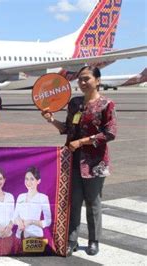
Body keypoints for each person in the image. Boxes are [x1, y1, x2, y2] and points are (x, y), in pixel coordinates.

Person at [41, 66, 117, 256]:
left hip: (95, 162)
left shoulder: (106, 104)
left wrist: (83, 141)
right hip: (72, 160)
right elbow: (67, 128)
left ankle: (93, 240)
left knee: (93, 202)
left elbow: (110, 133)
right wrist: (51, 119)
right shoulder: (74, 104)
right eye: (80, 79)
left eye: (87, 79)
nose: (82, 83)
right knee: (73, 202)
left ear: (97, 81)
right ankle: (72, 239)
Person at [13, 166, 52, 253]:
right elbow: (14, 217)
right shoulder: (20, 196)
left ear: (38, 181)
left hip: (35, 237)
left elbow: (48, 221)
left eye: (32, 179)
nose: (28, 182)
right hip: (19, 237)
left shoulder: (43, 198)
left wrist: (31, 221)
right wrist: (18, 221)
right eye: (26, 179)